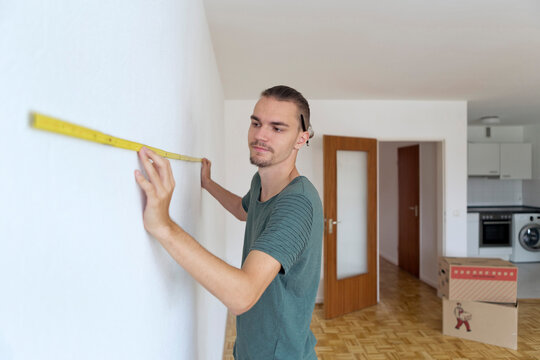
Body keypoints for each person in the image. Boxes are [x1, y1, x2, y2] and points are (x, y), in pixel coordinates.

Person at [134, 85, 323, 359]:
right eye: (256, 123)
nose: (260, 135)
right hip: (252, 348)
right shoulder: (261, 181)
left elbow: (242, 295)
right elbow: (242, 209)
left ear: (300, 138)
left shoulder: (297, 203)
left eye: (277, 128)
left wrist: (163, 225)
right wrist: (208, 184)